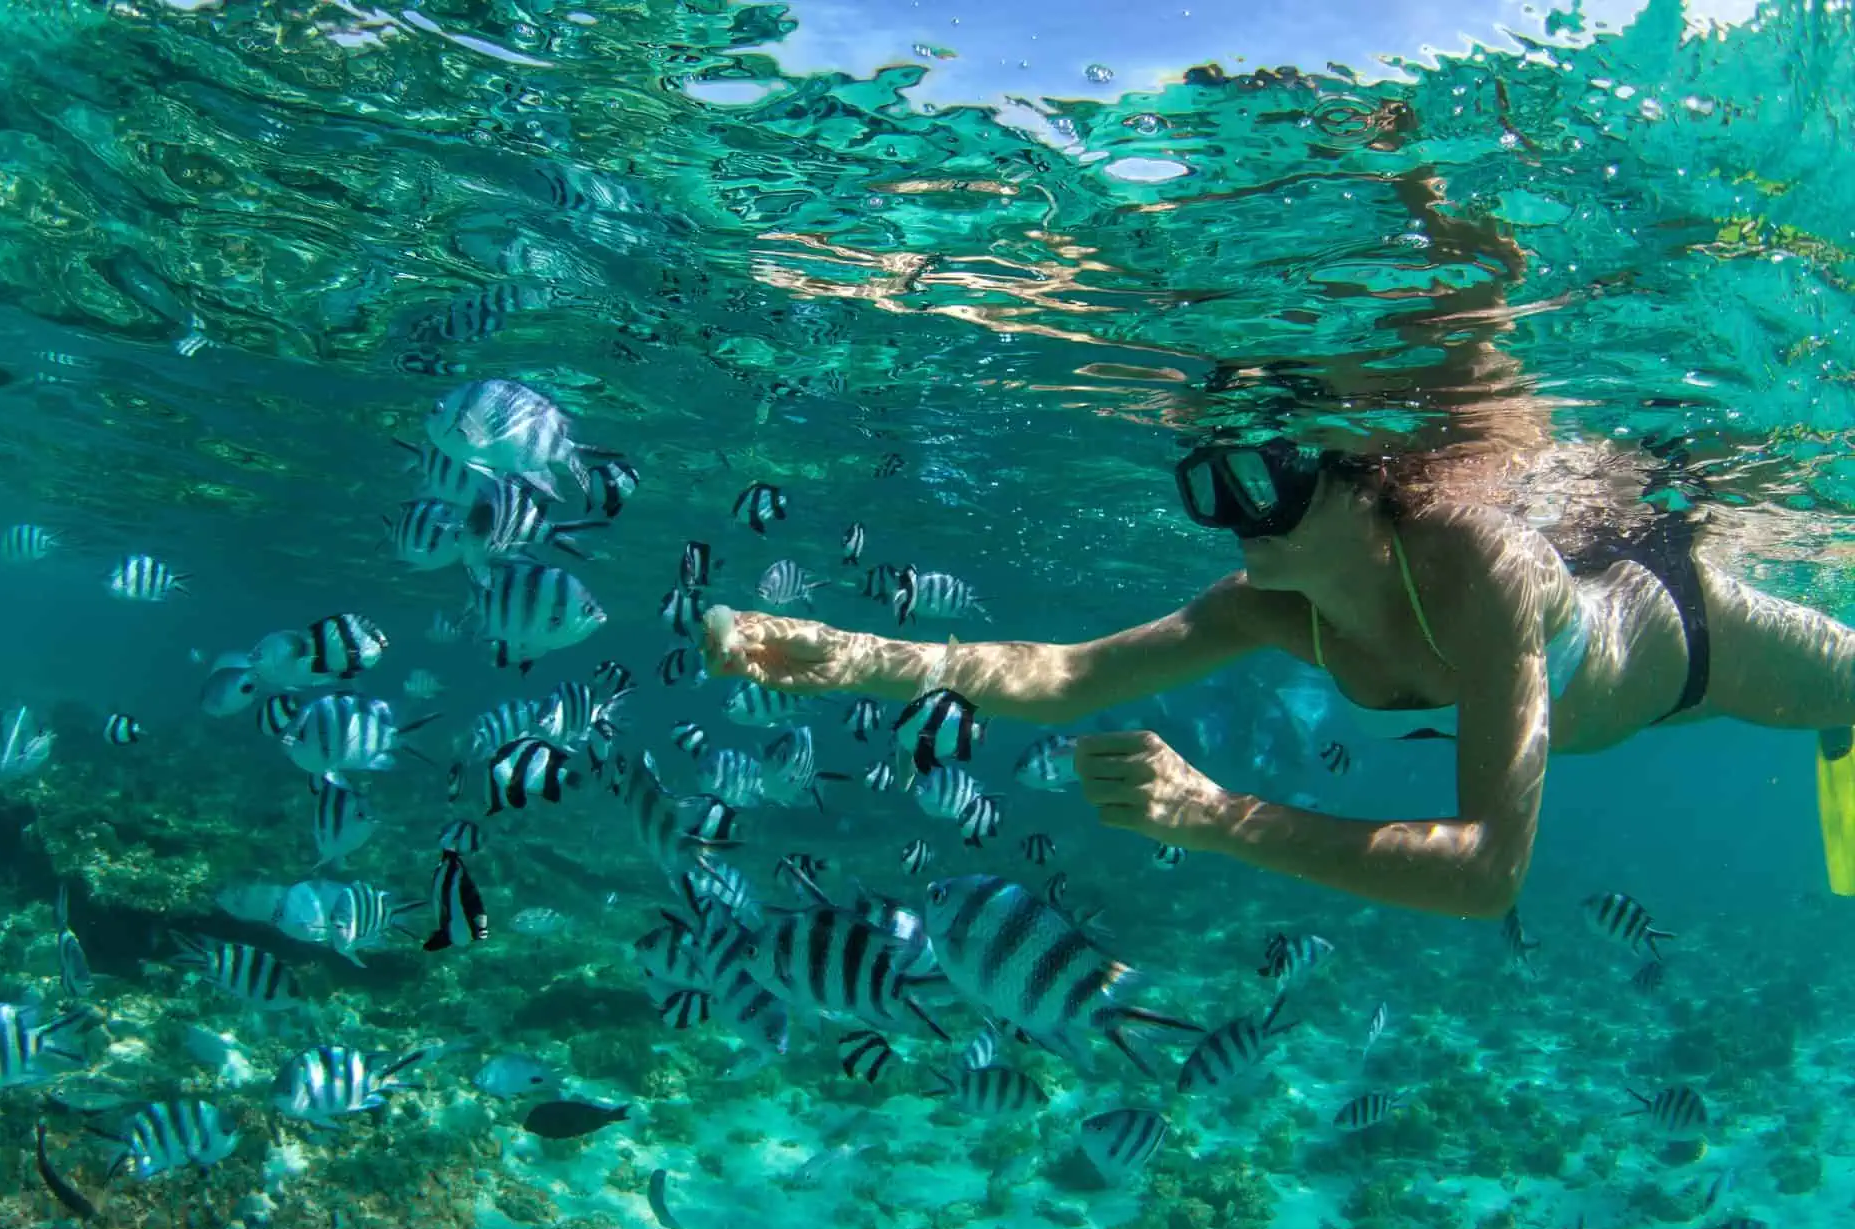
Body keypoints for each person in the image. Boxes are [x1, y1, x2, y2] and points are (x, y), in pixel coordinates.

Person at [698, 175, 1855, 921]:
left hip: (1691, 631)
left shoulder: (1479, 565)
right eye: (1213, 486)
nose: (1243, 518)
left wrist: (1208, 812)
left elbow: (1487, 871)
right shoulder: (1277, 605)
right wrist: (850, 655)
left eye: (1269, 481)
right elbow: (1069, 673)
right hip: (1628, 695)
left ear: (1364, 483)